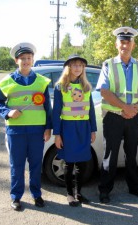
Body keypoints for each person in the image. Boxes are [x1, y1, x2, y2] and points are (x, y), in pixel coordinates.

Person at [0, 42, 52, 211]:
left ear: (33, 60)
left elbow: (48, 107)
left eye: (29, 58)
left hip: (37, 130)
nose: (26, 61)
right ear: (16, 61)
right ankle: (16, 197)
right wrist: (7, 112)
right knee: (16, 165)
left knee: (35, 165)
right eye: (22, 58)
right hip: (16, 131)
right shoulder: (7, 81)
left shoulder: (42, 82)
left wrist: (48, 128)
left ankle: (36, 194)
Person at [96, 26, 138, 203]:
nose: (125, 45)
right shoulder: (108, 64)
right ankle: (105, 190)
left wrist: (134, 108)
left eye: (128, 42)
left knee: (132, 154)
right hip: (113, 116)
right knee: (110, 155)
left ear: (133, 45)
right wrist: (124, 108)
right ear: (116, 44)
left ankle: (134, 187)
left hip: (135, 116)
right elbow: (104, 91)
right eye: (122, 42)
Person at [52, 55, 97, 207]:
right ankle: (70, 194)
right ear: (69, 67)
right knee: (69, 163)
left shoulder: (86, 87)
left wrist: (93, 130)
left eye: (80, 65)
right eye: (74, 65)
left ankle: (79, 193)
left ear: (83, 68)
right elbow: (56, 112)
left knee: (83, 163)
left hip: (84, 128)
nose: (78, 68)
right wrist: (57, 134)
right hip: (68, 128)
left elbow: (90, 110)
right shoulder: (61, 87)